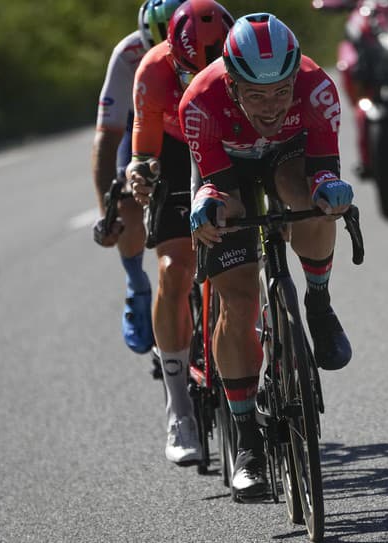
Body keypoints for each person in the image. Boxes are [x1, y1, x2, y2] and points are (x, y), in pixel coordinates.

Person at [172, 13, 355, 498]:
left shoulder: (316, 90)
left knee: (309, 200)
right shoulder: (200, 103)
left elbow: (322, 169)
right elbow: (216, 185)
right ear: (231, 83)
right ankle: (248, 436)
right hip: (226, 168)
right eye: (256, 94)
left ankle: (318, 304)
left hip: (289, 158)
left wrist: (331, 190)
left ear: (295, 77)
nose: (271, 106)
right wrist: (207, 209)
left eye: (281, 91)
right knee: (235, 298)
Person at [91, 0, 202, 464]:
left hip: (205, 128)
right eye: (157, 47)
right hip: (148, 135)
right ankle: (138, 286)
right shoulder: (131, 56)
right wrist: (107, 212)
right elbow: (109, 138)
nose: (169, 58)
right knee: (130, 203)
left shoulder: (208, 35)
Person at [125, 0, 234, 465]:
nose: (204, 81)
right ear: (174, 54)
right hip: (174, 149)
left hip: (231, 139)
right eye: (193, 72)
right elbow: (142, 151)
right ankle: (179, 409)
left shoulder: (242, 53)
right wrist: (140, 174)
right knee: (174, 268)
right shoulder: (153, 70)